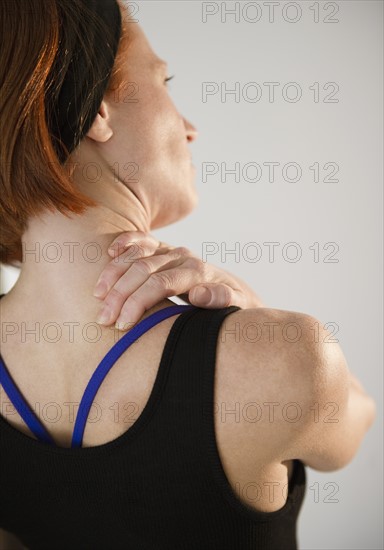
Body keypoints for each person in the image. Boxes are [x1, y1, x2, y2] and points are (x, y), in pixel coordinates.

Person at [0, 1, 376, 549]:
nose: (191, 129)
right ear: (98, 107)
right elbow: (358, 419)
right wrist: (251, 314)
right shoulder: (280, 360)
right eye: (164, 80)